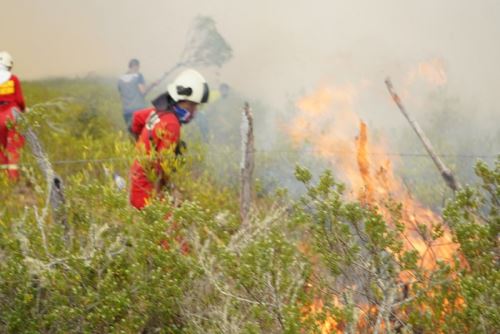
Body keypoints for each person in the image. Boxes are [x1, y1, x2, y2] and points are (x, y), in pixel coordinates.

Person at [129, 69, 209, 209]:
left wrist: (141, 146)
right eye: (191, 105)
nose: (194, 110)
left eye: (196, 106)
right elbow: (163, 166)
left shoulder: (156, 112)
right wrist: (166, 192)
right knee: (173, 226)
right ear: (179, 100)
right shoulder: (172, 124)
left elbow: (136, 118)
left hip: (137, 182)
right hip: (148, 191)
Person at [0, 51, 26, 181]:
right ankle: (13, 178)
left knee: (1, 147)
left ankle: (3, 179)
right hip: (11, 113)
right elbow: (20, 101)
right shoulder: (13, 79)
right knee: (13, 146)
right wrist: (23, 111)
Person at [118, 58, 158, 129]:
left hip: (126, 112)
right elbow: (143, 91)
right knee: (145, 132)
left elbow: (121, 96)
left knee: (132, 135)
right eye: (138, 67)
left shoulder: (120, 79)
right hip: (139, 110)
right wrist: (152, 85)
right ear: (136, 66)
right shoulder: (138, 76)